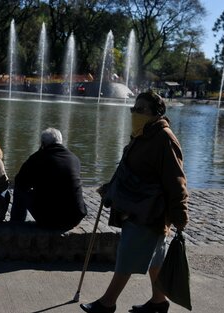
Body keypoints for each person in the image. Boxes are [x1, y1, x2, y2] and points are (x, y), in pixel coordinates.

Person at [80, 91, 189, 313]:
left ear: (156, 113)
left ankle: (107, 303)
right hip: (138, 207)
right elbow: (127, 169)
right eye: (133, 108)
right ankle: (159, 302)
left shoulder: (164, 138)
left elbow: (176, 181)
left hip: (151, 211)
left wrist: (180, 215)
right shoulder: (142, 134)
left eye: (141, 109)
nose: (135, 113)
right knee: (155, 259)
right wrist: (111, 189)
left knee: (127, 255)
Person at [10, 127, 87, 230]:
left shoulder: (37, 158)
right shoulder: (74, 158)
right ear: (60, 141)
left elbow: (20, 182)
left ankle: (16, 223)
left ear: (42, 144)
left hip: (49, 219)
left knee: (20, 189)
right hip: (74, 217)